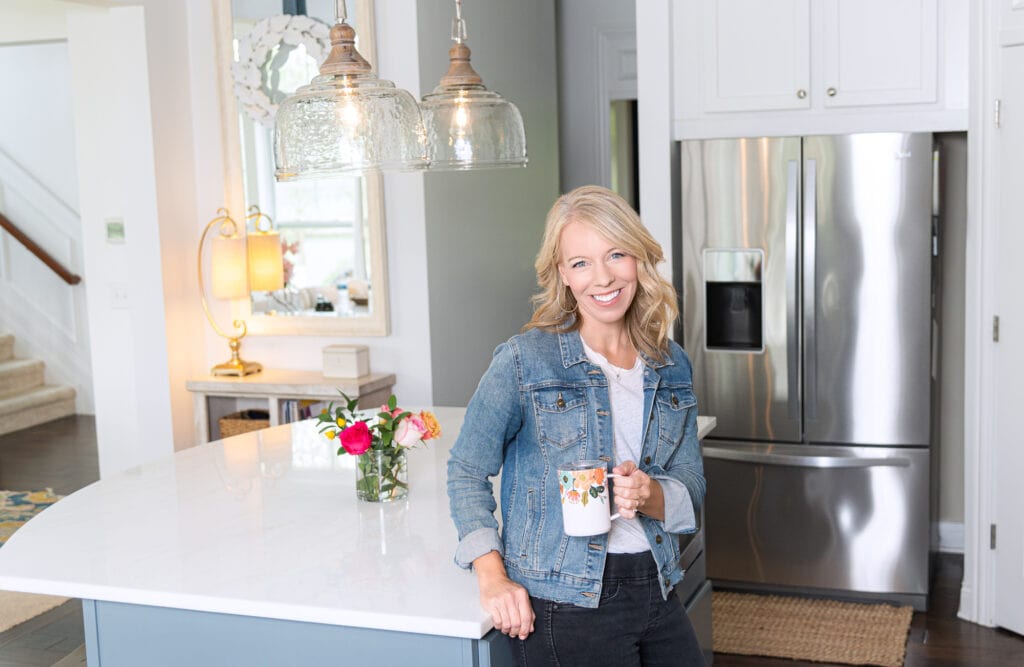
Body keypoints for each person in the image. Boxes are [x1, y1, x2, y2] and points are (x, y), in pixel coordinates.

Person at [447, 185, 706, 665]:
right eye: (581, 262)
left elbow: (691, 483)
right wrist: (491, 574)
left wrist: (650, 496)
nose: (603, 277)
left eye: (616, 254)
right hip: (566, 603)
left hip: (658, 583)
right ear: (562, 274)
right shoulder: (525, 361)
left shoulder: (671, 364)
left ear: (638, 260)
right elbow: (466, 469)